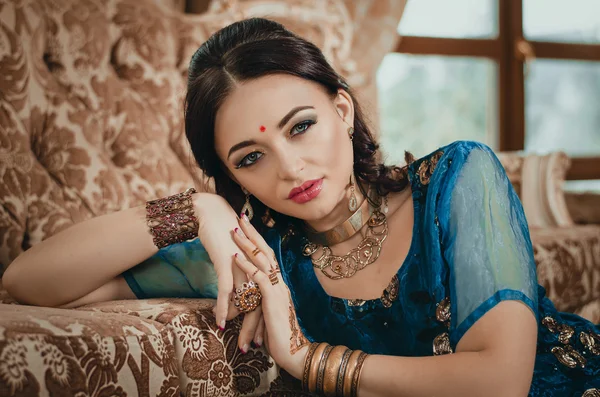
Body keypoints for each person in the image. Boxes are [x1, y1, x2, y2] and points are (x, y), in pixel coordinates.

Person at [4, 17, 599, 397]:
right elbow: (28, 281)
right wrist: (194, 210)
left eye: (301, 126)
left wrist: (307, 359)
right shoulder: (259, 256)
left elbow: (499, 382)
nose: (289, 168)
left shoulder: (456, 181)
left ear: (342, 110)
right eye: (249, 158)